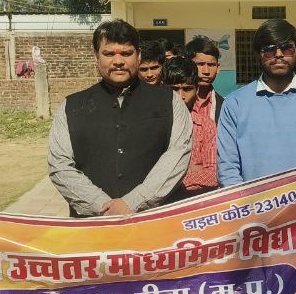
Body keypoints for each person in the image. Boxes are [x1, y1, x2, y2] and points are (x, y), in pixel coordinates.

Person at [49, 20, 192, 216]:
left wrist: (134, 202)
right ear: (96, 56)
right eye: (109, 54)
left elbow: (178, 154)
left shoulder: (170, 101)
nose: (118, 61)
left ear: (138, 55)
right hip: (92, 224)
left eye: (126, 53)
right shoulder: (71, 107)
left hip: (156, 223)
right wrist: (101, 205)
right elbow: (59, 165)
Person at [216, 18, 296, 186]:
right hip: (251, 202)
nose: (279, 54)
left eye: (287, 48)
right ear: (257, 54)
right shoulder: (234, 104)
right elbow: (228, 169)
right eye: (269, 49)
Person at [162, 57, 218, 198]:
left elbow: (213, 175)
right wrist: (192, 169)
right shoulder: (154, 124)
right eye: (174, 89)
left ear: (197, 88)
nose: (180, 96)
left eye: (187, 89)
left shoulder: (206, 126)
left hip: (194, 202)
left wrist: (173, 176)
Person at [186, 36, 224, 122]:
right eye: (200, 64)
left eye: (211, 65)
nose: (206, 71)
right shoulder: (175, 100)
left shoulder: (225, 105)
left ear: (218, 68)